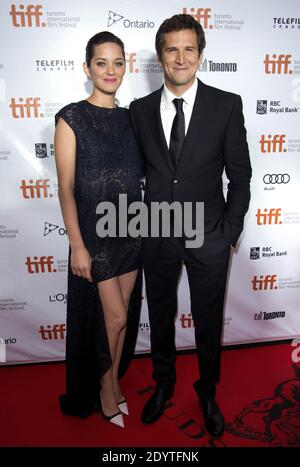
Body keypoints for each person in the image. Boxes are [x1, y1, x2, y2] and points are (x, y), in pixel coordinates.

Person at [130, 14, 252, 437]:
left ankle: (207, 391)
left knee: (207, 318)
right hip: (158, 233)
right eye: (171, 49)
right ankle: (163, 385)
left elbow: (241, 177)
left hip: (210, 237)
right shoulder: (139, 111)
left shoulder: (226, 104)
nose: (180, 58)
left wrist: (228, 234)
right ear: (160, 56)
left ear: (200, 54)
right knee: (160, 314)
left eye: (188, 49)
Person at [54, 31, 142, 429]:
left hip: (132, 229)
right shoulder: (71, 117)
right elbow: (66, 186)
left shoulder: (131, 118)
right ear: (87, 67)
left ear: (126, 66)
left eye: (117, 62)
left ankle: (112, 379)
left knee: (121, 319)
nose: (110, 70)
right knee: (116, 317)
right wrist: (77, 244)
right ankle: (105, 389)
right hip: (96, 233)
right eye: (101, 63)